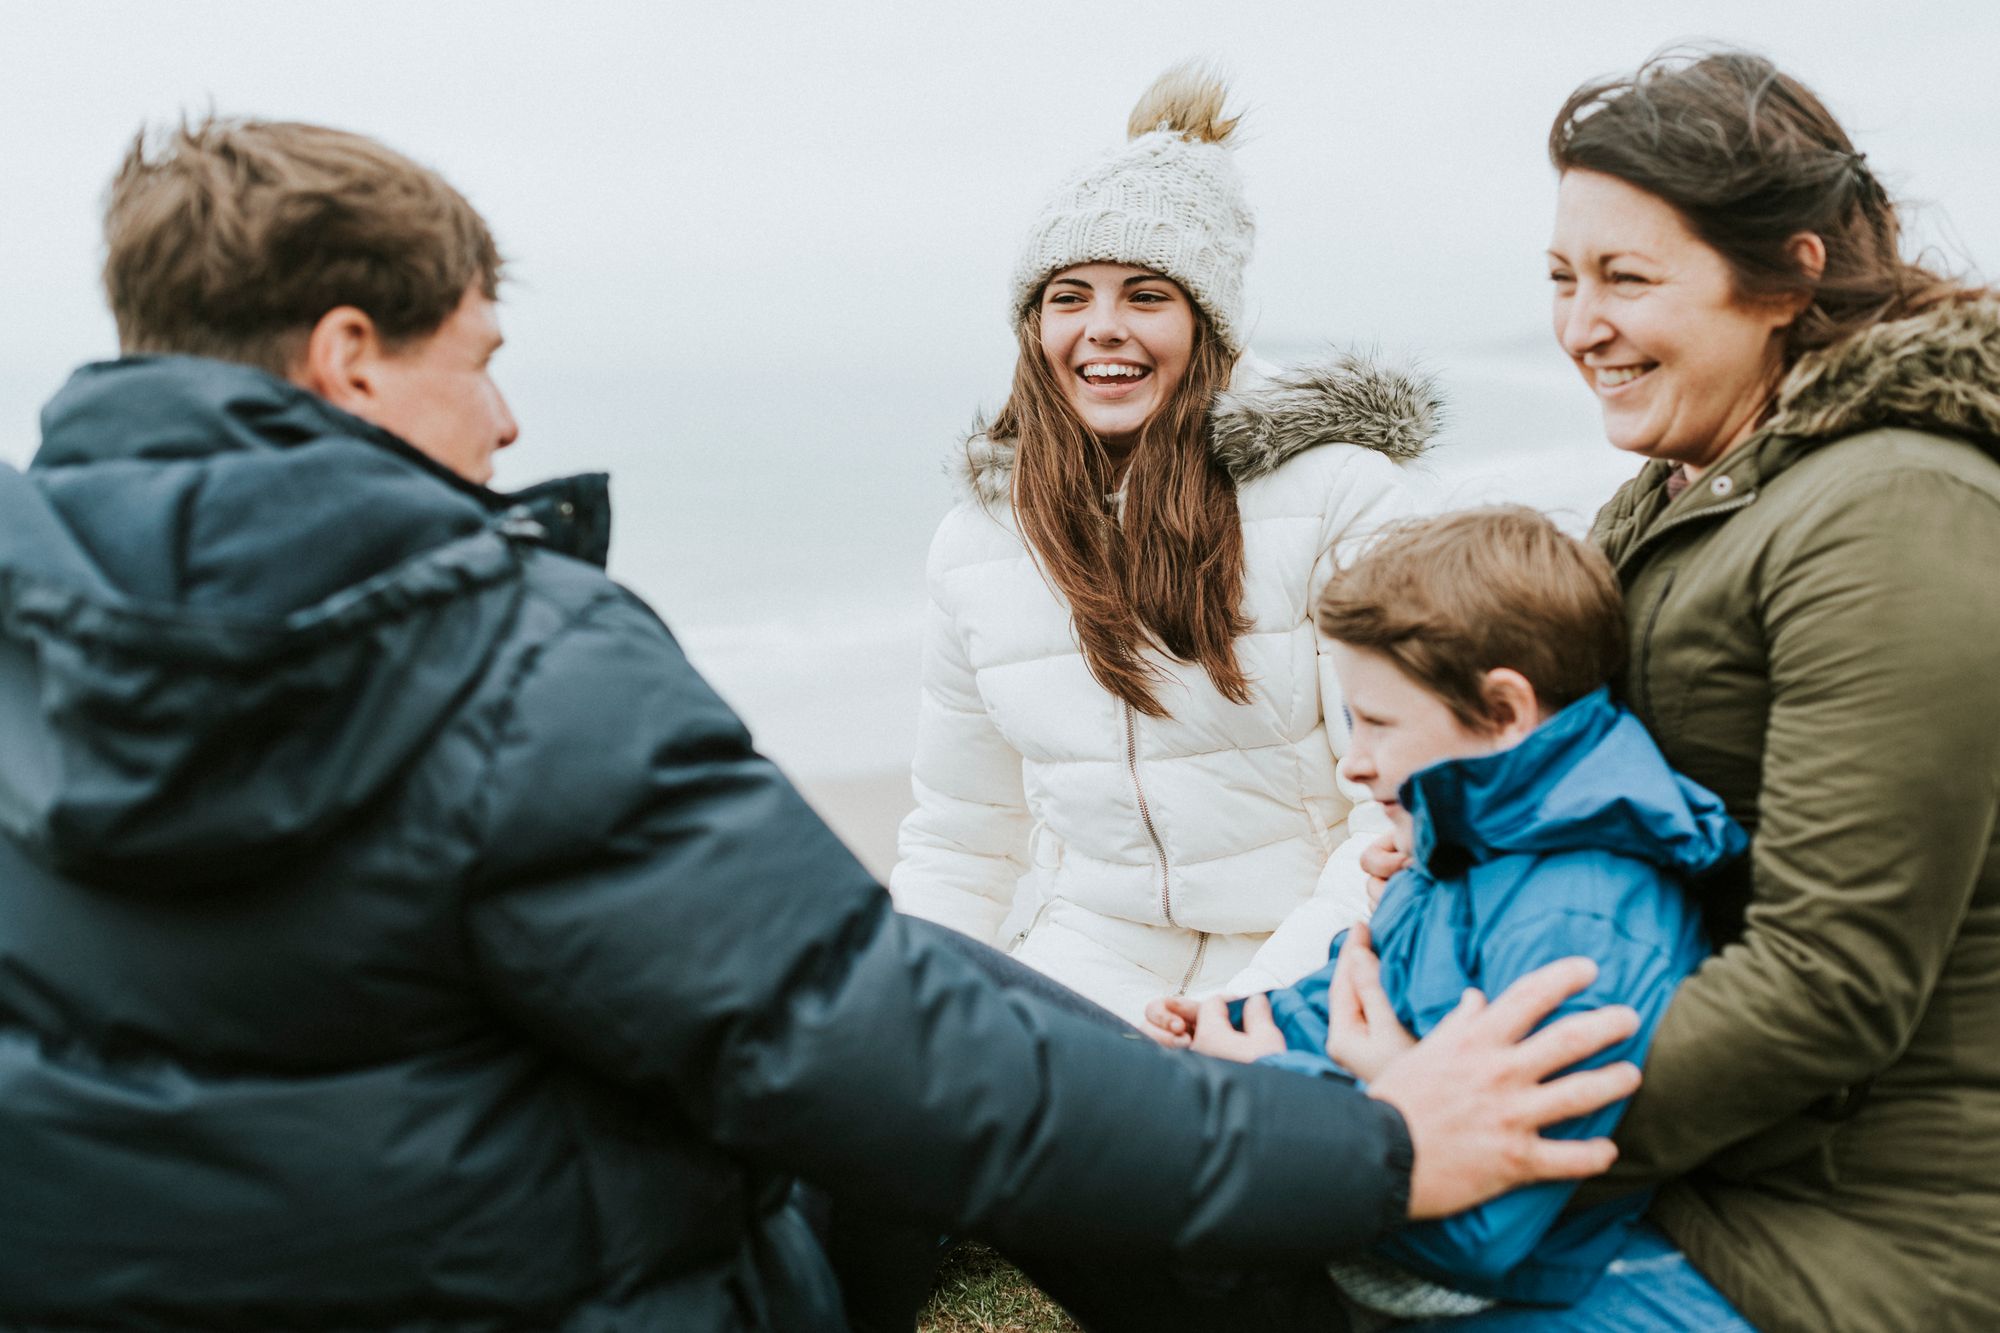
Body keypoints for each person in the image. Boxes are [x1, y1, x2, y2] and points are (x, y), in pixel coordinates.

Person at [0, 117, 1645, 1333]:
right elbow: (862, 1031)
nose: (509, 424)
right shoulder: (510, 661)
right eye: (482, 360)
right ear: (353, 357)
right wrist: (1364, 1153)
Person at [1354, 48, 2000, 1332]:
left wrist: (1452, 1132)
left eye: (1625, 278)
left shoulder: (1890, 512)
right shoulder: (1678, 491)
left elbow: (1827, 979)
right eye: (1560, 279)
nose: (1580, 324)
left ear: (1785, 275)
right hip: (1703, 1156)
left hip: (1855, 1224)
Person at [891, 65, 1433, 1026]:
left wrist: (1242, 1013)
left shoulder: (1341, 495)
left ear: (1206, 323)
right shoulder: (977, 540)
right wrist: (905, 1019)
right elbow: (964, 837)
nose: (1103, 330)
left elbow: (1400, 815)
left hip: (1319, 949)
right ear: (1034, 325)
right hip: (1087, 949)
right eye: (1069, 296)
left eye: (1146, 295)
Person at [1145, 507, 1740, 1325]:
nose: (1353, 763)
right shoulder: (1461, 849)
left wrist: (1273, 1082)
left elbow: (1479, 1225)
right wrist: (1234, 1021)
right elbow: (1363, 996)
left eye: (1379, 725)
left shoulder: (1578, 923)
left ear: (1504, 711)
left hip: (1537, 1298)